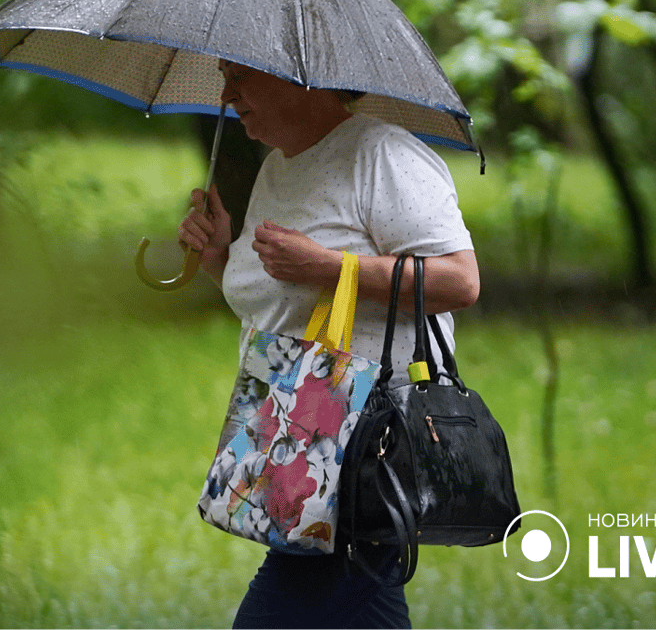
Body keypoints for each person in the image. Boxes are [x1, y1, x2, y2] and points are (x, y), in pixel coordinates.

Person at [178, 60, 480, 630]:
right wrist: (219, 259)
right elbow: (282, 309)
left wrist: (330, 268)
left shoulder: (382, 156)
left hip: (367, 443)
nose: (226, 92)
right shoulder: (277, 169)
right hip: (303, 439)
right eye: (224, 75)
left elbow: (460, 281)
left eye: (241, 75)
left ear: (302, 75)